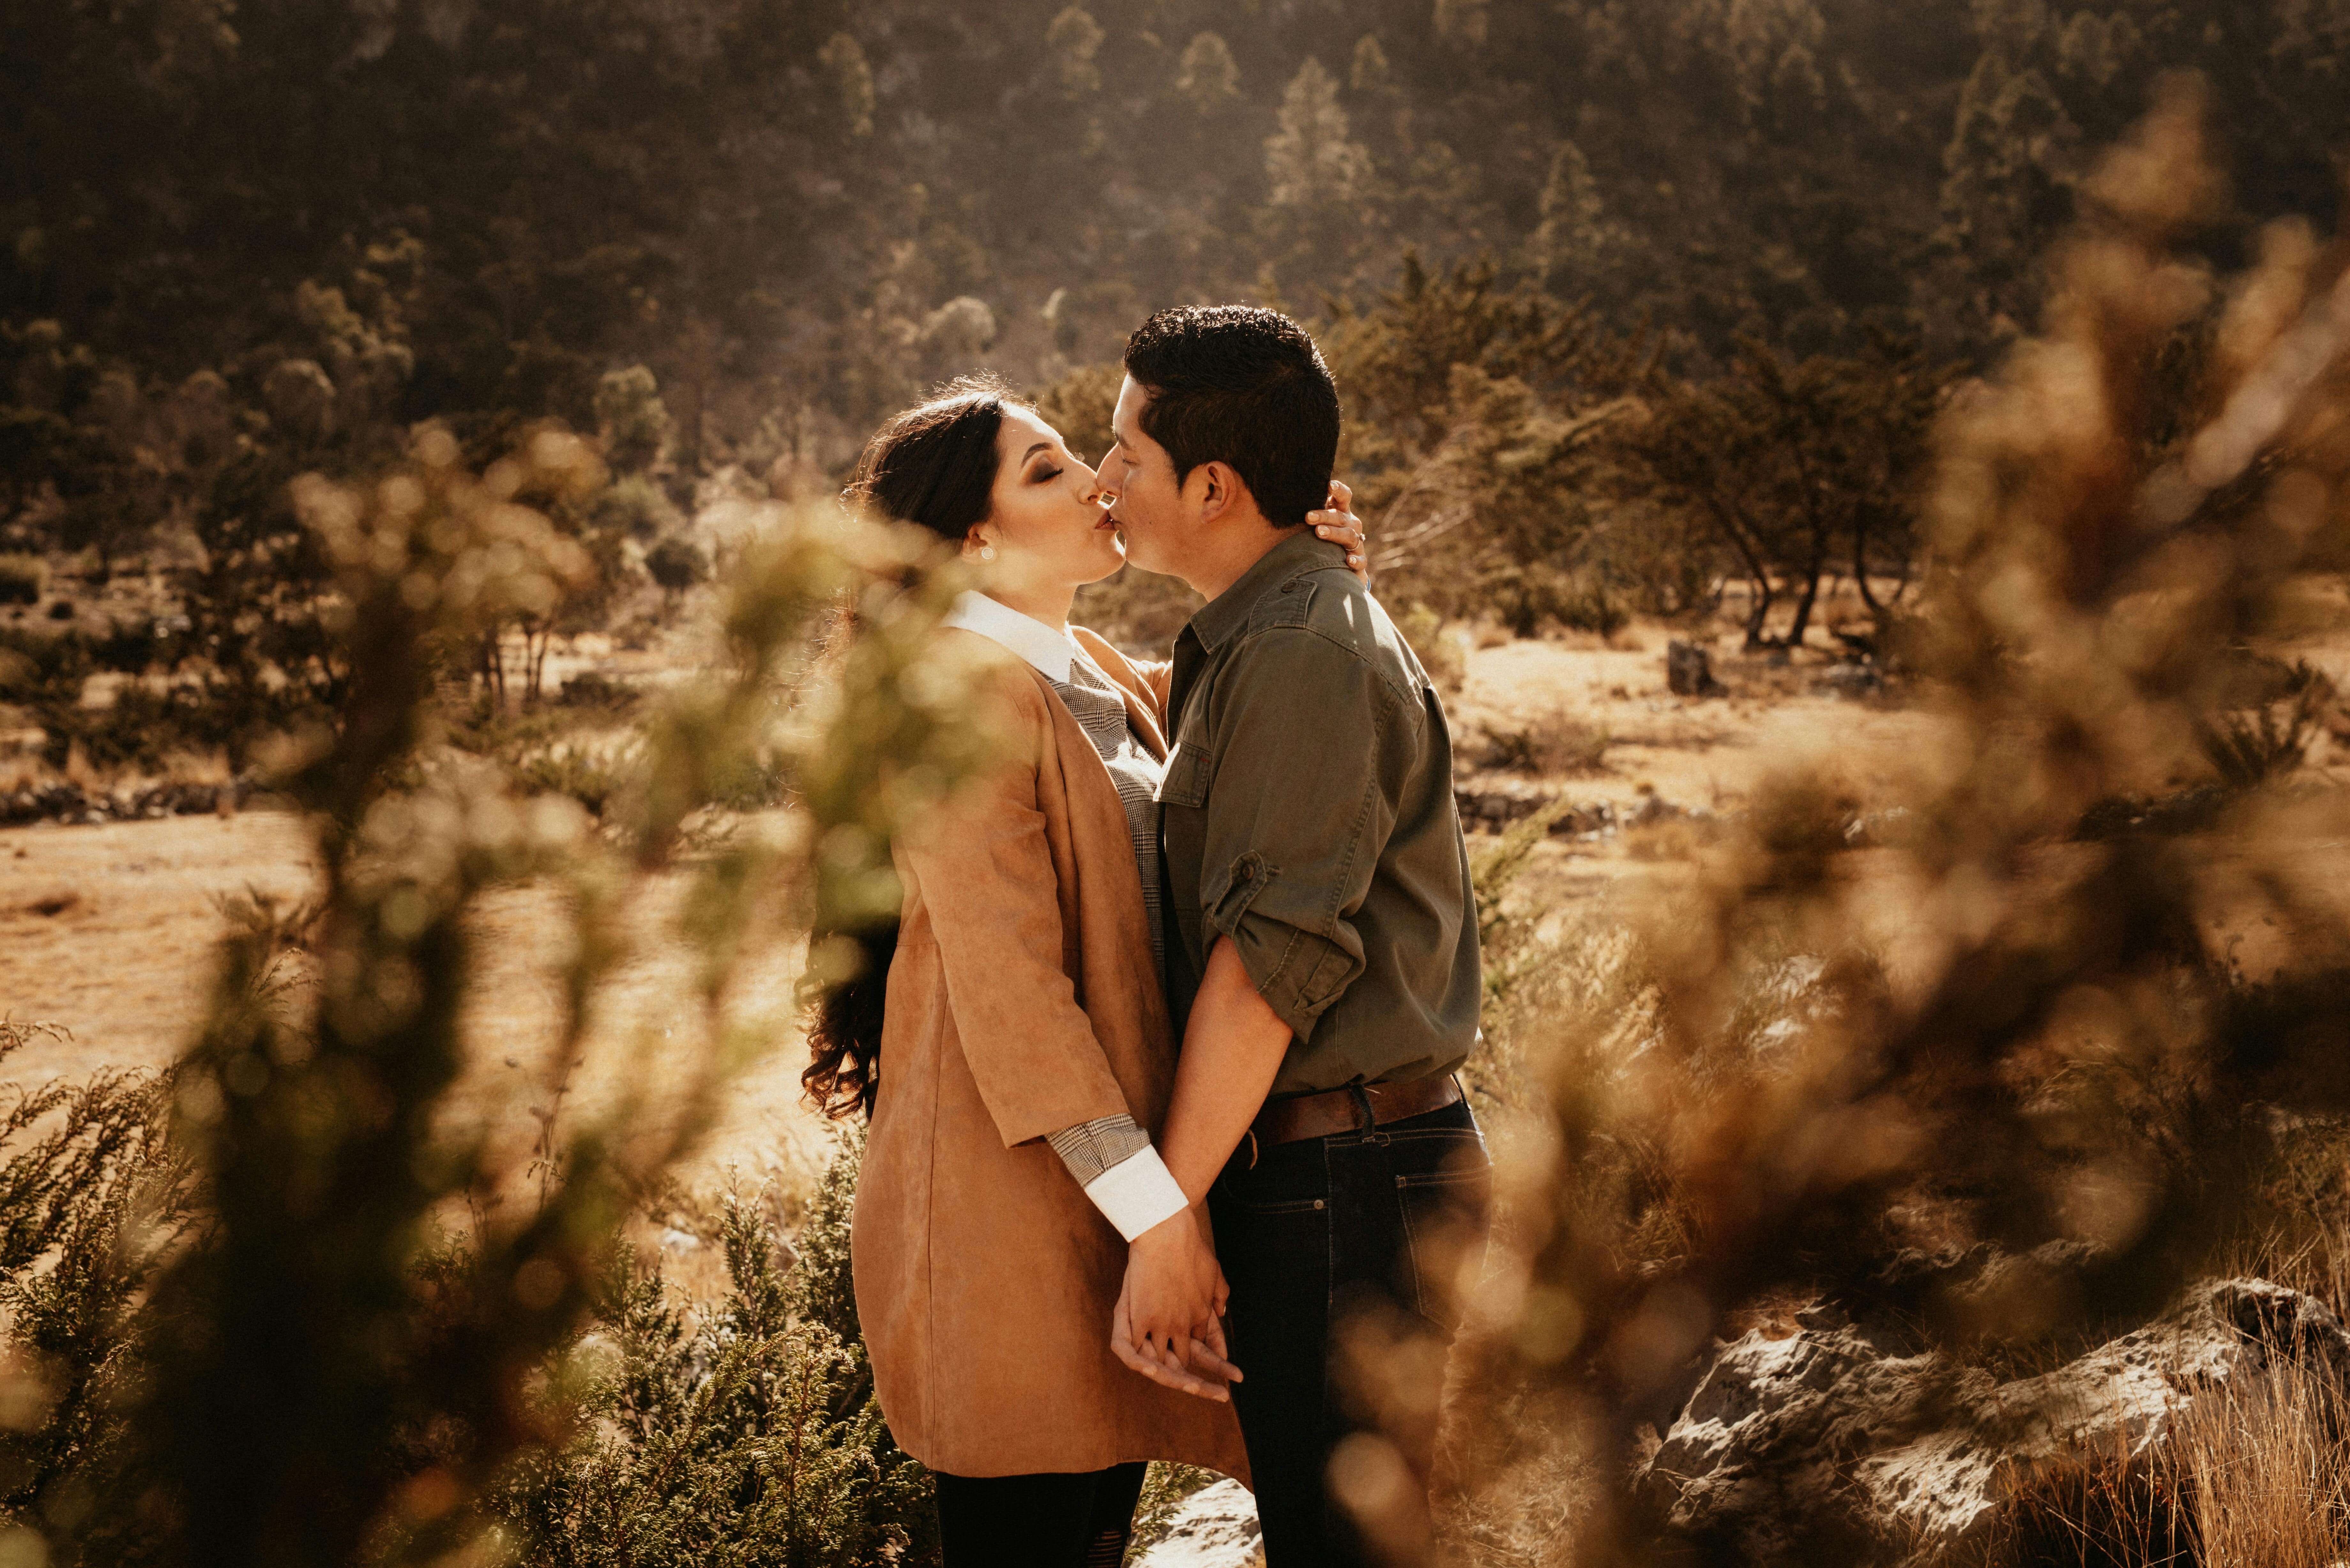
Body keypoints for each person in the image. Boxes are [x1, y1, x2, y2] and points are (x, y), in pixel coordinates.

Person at [802, 374, 1368, 1568]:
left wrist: (1312, 579)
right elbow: (1015, 999)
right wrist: (1163, 1222)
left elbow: (1250, 724)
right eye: (1051, 469)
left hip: (1104, 1200)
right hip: (1011, 1216)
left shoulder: (1089, 667)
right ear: (972, 539)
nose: (1101, 481)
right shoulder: (956, 696)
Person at [1097, 306, 1489, 1567]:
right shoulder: (1259, 632)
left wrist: (1166, 1213)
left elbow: (1269, 973)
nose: (1105, 479)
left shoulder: (1301, 649)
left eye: (1124, 454)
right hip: (1329, 1176)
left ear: (1212, 485)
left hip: (1346, 1187)